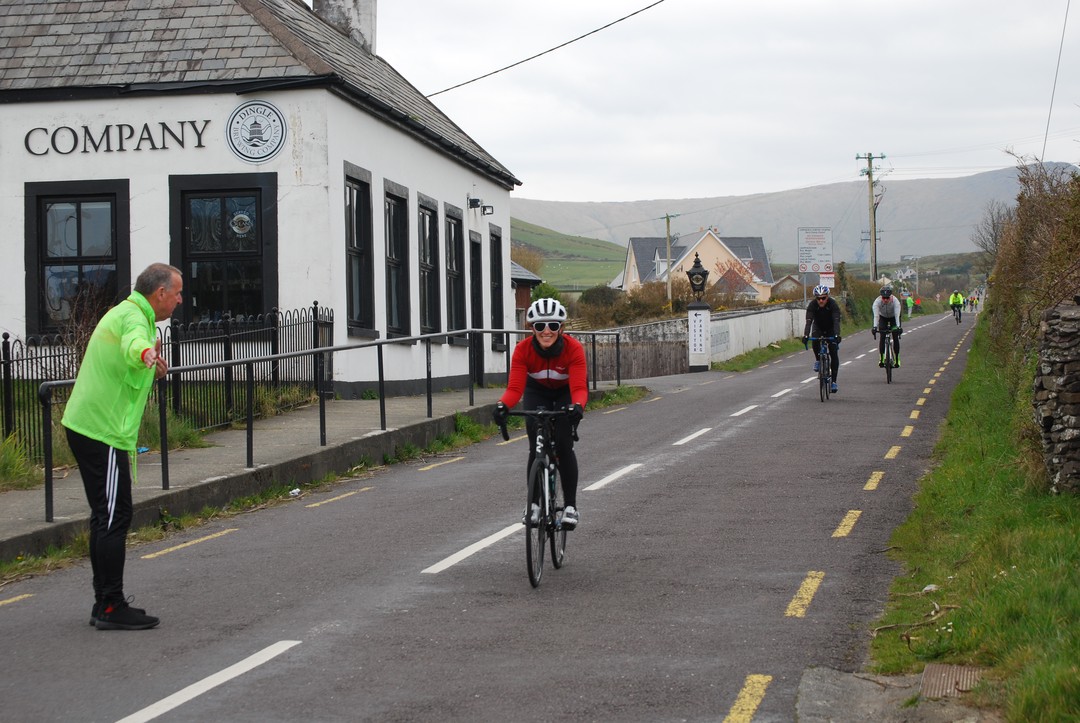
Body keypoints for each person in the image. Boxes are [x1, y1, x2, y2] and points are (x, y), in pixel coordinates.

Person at [62, 263, 183, 630]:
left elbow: (130, 356)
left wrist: (151, 365)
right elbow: (134, 346)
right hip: (102, 432)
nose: (180, 300)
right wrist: (147, 355)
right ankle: (111, 606)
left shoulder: (131, 312)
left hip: (89, 427)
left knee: (106, 516)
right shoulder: (134, 318)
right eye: (176, 293)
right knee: (115, 516)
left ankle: (104, 603)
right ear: (159, 293)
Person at [492, 298, 587, 529]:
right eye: (540, 326)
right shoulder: (522, 350)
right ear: (531, 328)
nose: (547, 331)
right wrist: (503, 405)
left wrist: (577, 407)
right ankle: (534, 504)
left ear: (561, 328)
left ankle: (571, 507)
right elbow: (515, 389)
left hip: (565, 393)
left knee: (564, 445)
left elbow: (579, 388)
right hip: (537, 392)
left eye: (553, 326)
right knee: (536, 446)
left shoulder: (573, 349)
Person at [802, 284, 842, 394]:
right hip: (818, 327)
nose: (821, 301)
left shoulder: (833, 305)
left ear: (827, 297)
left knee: (833, 353)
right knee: (815, 340)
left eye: (823, 298)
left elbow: (836, 321)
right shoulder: (812, 305)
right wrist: (805, 335)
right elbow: (809, 322)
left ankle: (834, 381)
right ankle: (818, 360)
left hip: (830, 328)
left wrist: (837, 335)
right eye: (818, 298)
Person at [872, 286, 903, 368]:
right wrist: (874, 327)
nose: (885, 299)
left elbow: (897, 315)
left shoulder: (895, 302)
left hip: (893, 318)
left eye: (887, 298)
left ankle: (897, 359)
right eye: (883, 298)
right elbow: (876, 316)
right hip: (883, 318)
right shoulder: (877, 302)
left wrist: (898, 327)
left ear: (890, 297)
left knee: (895, 336)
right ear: (881, 297)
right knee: (882, 336)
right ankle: (881, 359)